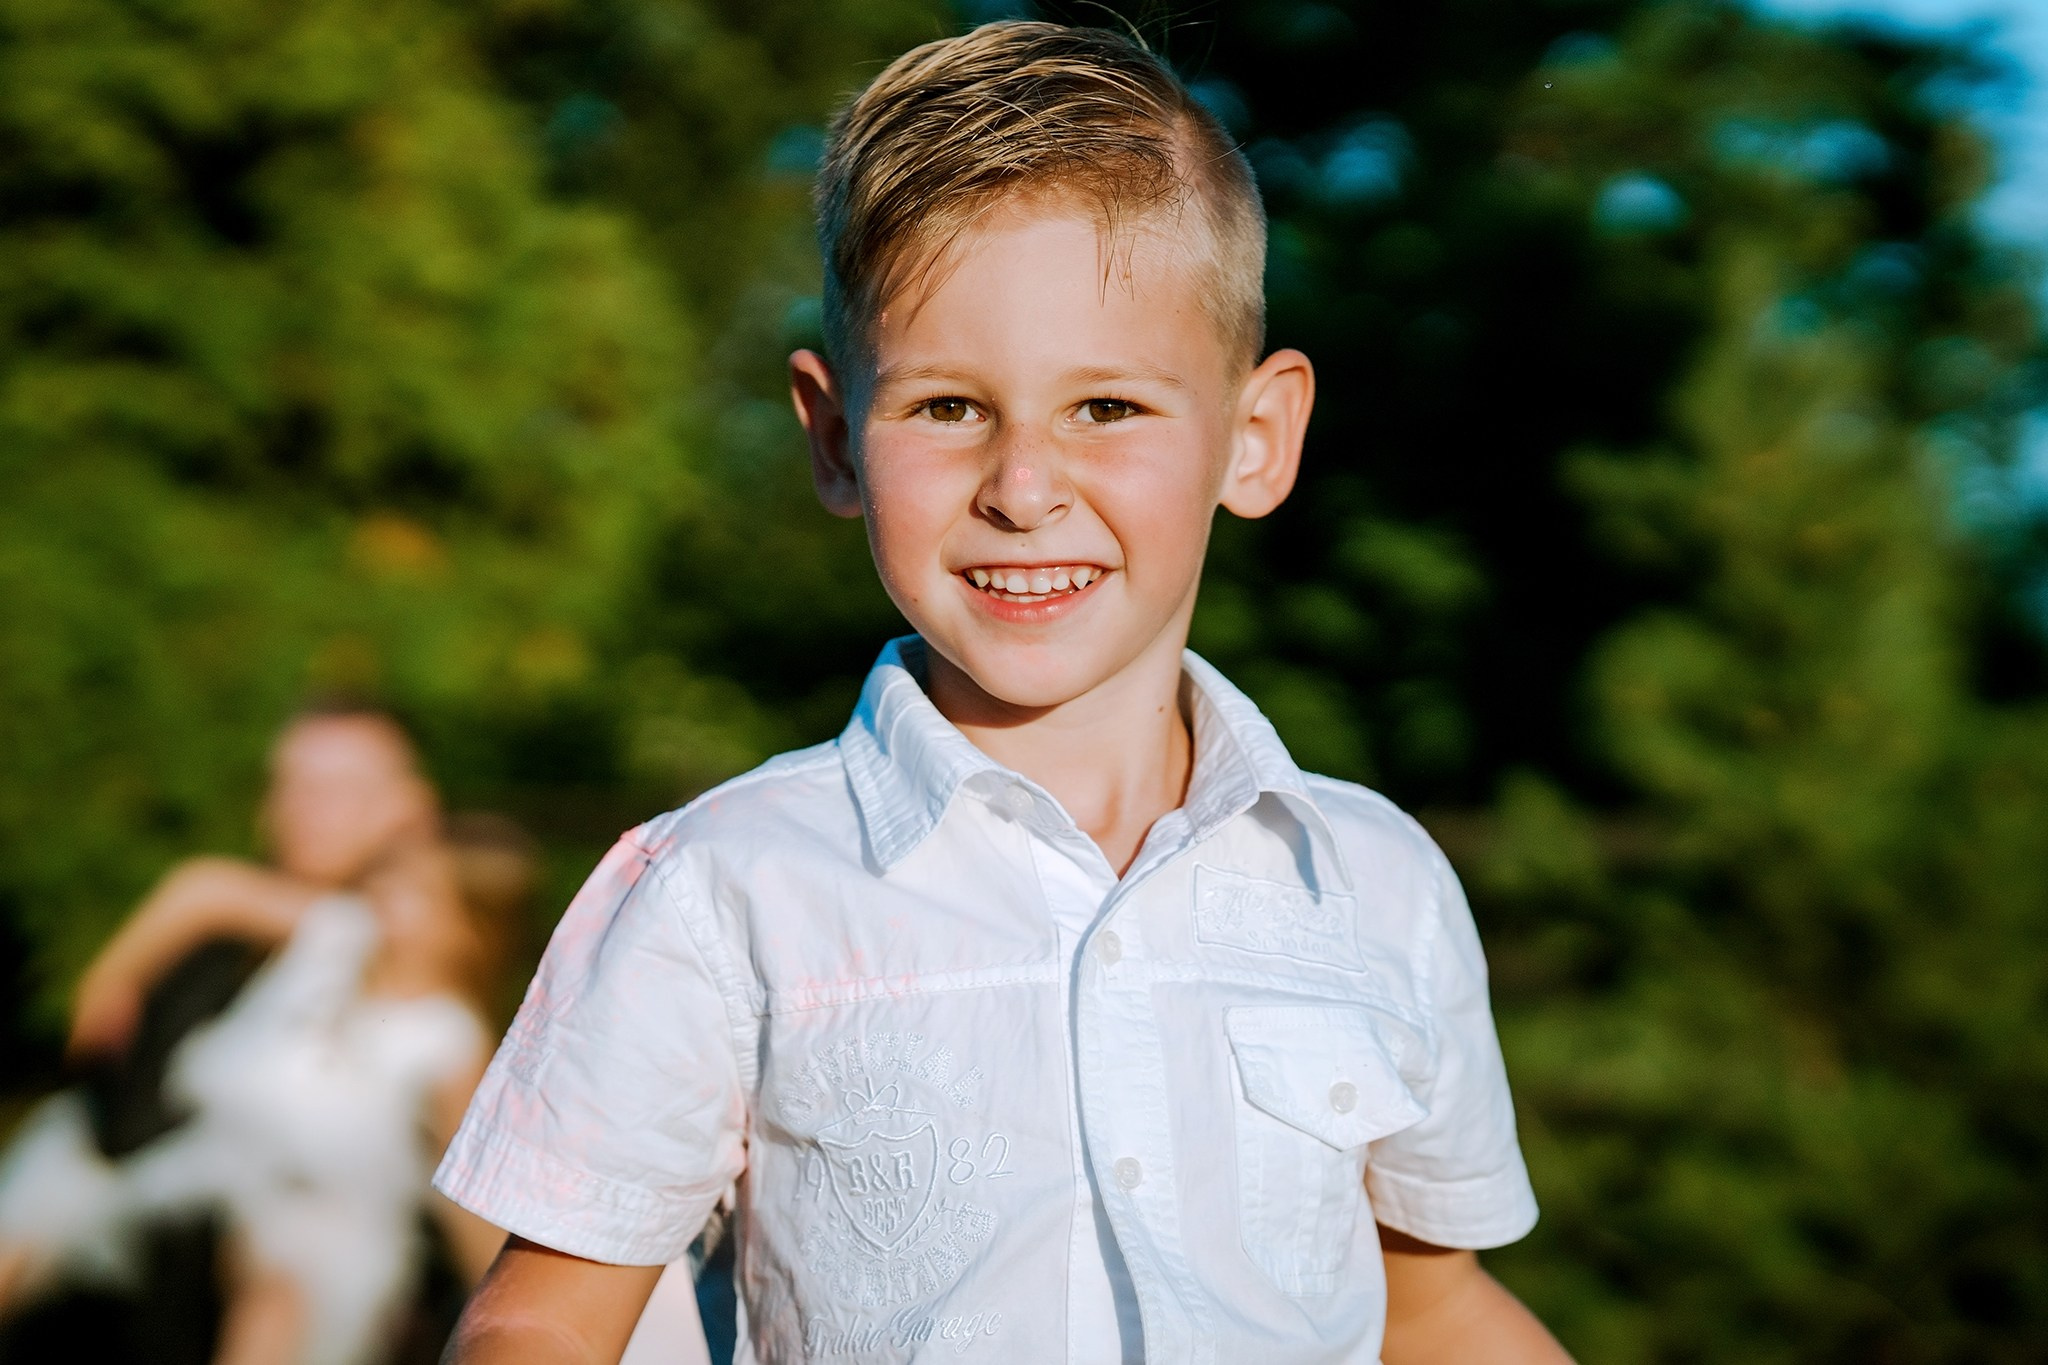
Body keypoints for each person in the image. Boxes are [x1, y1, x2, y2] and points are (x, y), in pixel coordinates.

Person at [435, 21, 1572, 1364]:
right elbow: (545, 1322)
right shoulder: (720, 888)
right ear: (834, 434)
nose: (1023, 488)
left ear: (1255, 439)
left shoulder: (1376, 888)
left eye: (1107, 409)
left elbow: (1432, 1311)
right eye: (948, 409)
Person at [0, 707, 507, 1365]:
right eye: (290, 785)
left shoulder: (426, 1005)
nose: (301, 810)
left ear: (411, 805)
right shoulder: (304, 938)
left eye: (338, 789)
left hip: (313, 1224)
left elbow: (472, 1190)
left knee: (282, 1290)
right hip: (192, 1187)